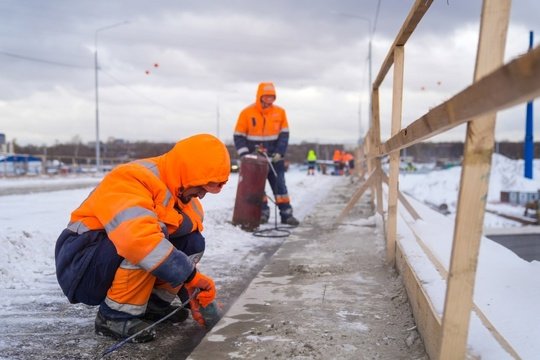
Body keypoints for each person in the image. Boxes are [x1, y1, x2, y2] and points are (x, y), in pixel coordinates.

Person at [55, 134, 230, 343]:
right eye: (201, 188)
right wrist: (191, 277)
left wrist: (192, 294)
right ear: (187, 173)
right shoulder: (133, 177)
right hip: (81, 262)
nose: (201, 195)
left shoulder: (186, 199)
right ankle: (114, 317)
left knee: (192, 242)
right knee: (150, 239)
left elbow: (182, 250)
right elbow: (138, 240)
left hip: (107, 254)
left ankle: (151, 308)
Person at [233, 82, 299, 226]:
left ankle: (286, 214)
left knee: (280, 186)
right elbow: (238, 136)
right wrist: (245, 155)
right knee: (257, 188)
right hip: (254, 160)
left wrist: (279, 153)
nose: (270, 99)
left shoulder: (280, 112)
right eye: (267, 96)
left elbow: (284, 135)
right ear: (260, 96)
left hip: (275, 158)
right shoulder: (246, 113)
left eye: (272, 97)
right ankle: (262, 213)